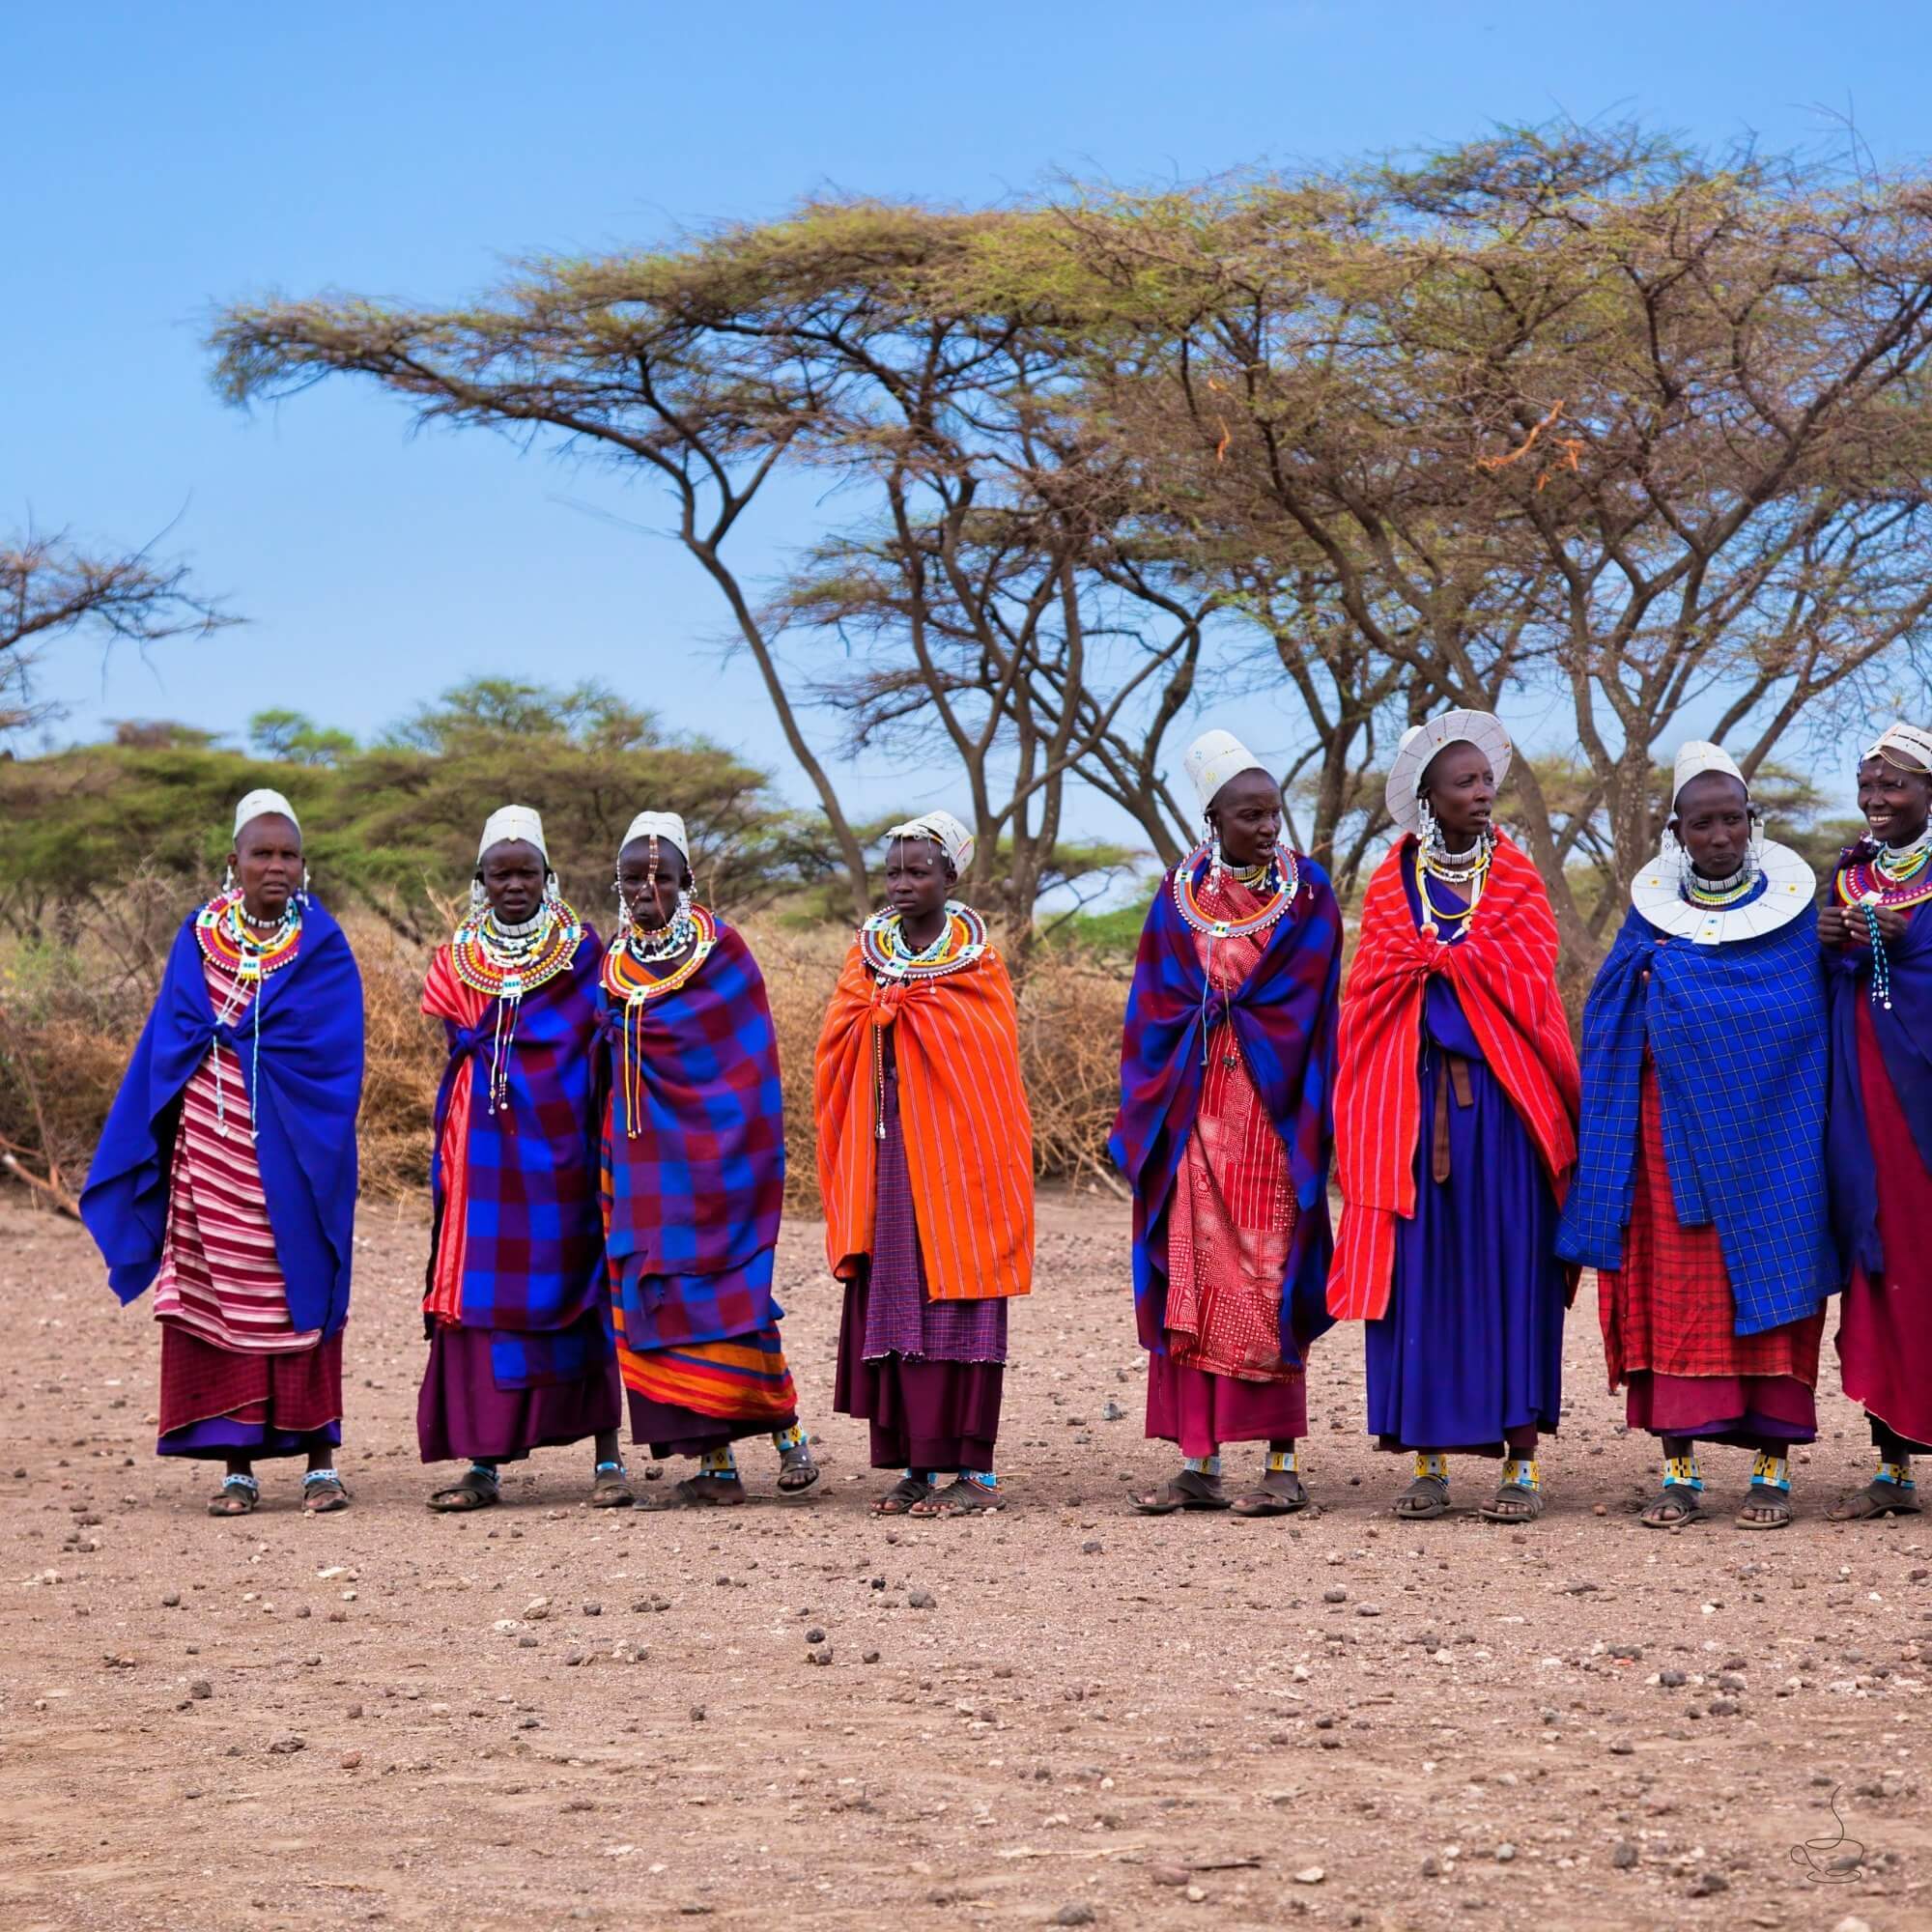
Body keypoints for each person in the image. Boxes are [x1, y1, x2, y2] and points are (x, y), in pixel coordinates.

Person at [1560, 744, 1833, 1529]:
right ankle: (1678, 1470)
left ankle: (1771, 1476)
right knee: (1670, 1295)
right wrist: (1662, 988)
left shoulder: (1795, 924)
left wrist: (1689, 1000)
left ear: (1755, 824)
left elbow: (1804, 1020)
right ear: (1676, 832)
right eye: (1703, 824)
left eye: (1733, 821)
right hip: (1665, 1140)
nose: (1720, 836)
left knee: (1775, 1294)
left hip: (1773, 1144)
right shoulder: (1648, 923)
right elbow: (1611, 1014)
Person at [80, 789, 364, 1515]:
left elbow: (335, 1054)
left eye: (289, 854)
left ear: (306, 864)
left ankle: (320, 1465)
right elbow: (171, 1032)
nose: (276, 866)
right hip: (212, 1144)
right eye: (261, 853)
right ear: (231, 863)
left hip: (300, 1149)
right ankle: (236, 1466)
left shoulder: (323, 946)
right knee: (222, 1296)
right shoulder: (197, 936)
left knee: (303, 1285)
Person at [1328, 711, 1579, 1523]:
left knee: (1512, 1273)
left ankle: (1522, 1464)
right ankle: (1429, 1461)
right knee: (1421, 1282)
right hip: (1410, 1109)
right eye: (1464, 782)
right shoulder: (1387, 883)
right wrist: (1435, 973)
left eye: (1485, 781)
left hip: (1503, 1113)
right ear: (1427, 797)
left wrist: (1452, 969)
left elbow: (1532, 982)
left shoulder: (1517, 879)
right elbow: (1367, 993)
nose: (1482, 793)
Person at [1113, 730, 1343, 1517]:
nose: (1268, 828)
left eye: (1275, 813)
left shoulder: (1308, 894)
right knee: (1195, 1277)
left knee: (1269, 1275)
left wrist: (1243, 1021)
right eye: (1250, 815)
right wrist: (1190, 1039)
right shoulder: (1177, 895)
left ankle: (1281, 1461)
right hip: (1189, 1114)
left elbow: (1311, 1004)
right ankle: (1198, 1462)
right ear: (1212, 818)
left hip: (1272, 1117)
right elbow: (1150, 1006)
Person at [816, 810, 1034, 1518]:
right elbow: (839, 1039)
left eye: (918, 872)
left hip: (962, 1158)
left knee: (960, 1297)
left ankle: (975, 1471)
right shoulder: (866, 956)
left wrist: (907, 1014)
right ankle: (914, 1464)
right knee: (895, 1296)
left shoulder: (978, 962)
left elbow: (987, 1056)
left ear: (951, 877)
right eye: (894, 872)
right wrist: (880, 1014)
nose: (902, 884)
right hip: (886, 1154)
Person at [596, 811, 817, 1505]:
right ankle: (712, 1462)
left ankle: (788, 1434)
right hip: (641, 1162)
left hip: (720, 1155)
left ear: (688, 880)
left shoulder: (723, 953)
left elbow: (746, 1064)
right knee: (661, 1296)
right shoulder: (611, 961)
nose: (645, 889)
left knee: (732, 1294)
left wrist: (721, 1136)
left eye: (660, 877)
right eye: (633, 877)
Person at [416, 807, 627, 1512]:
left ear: (549, 878)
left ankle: (606, 1456)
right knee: (482, 1299)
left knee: (579, 1285)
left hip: (563, 1147)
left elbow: (593, 1044)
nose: (514, 885)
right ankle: (484, 1462)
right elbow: (459, 1034)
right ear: (480, 880)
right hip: (480, 1154)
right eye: (500, 873)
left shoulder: (582, 954)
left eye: (526, 872)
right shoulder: (456, 959)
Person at [1820, 721, 1932, 1521]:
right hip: (1864, 1105)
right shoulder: (1849, 874)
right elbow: (1824, 980)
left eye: (1894, 784)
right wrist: (1827, 942)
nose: (1877, 797)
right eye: (1868, 784)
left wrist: (1909, 946)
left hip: (1924, 1103)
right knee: (1878, 1259)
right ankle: (1892, 1463)